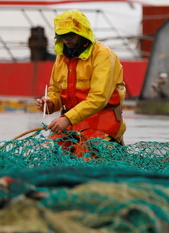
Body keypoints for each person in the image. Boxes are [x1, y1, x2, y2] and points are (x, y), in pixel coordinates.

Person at [36, 9, 127, 156]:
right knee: (49, 153)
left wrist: (67, 118)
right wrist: (50, 103)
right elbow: (56, 91)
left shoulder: (102, 55)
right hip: (70, 125)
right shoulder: (61, 57)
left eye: (70, 35)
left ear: (82, 33)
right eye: (62, 36)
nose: (66, 40)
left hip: (101, 124)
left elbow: (99, 98)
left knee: (85, 154)